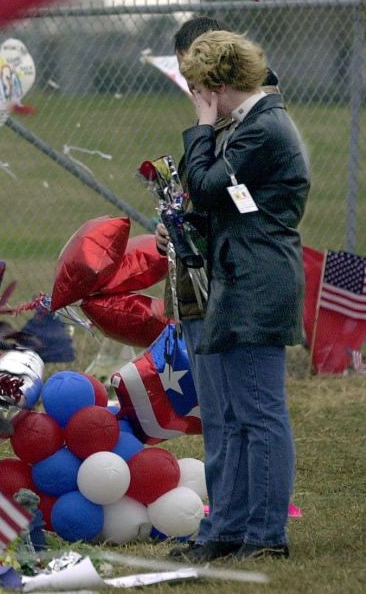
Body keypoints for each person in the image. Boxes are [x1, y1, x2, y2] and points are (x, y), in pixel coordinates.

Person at [167, 30, 310, 562]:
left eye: (201, 90)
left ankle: (267, 535)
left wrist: (201, 127)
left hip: (259, 282)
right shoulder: (248, 125)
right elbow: (217, 199)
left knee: (260, 413)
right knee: (229, 415)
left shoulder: (265, 128)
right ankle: (227, 528)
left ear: (221, 84)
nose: (199, 100)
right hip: (236, 278)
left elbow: (206, 183)